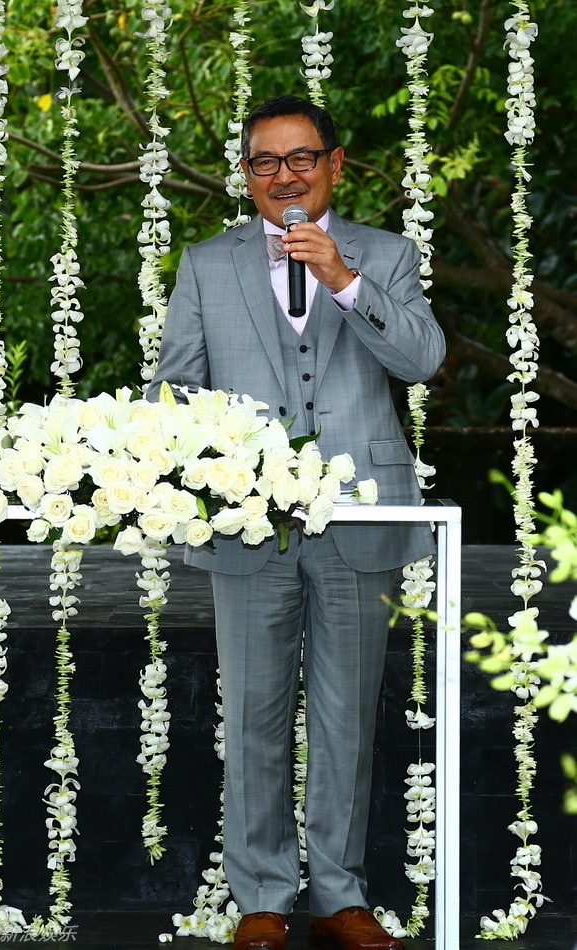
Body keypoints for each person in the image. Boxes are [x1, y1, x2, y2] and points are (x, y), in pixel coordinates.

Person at [147, 94, 445, 950]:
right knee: (253, 713)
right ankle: (263, 899)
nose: (285, 176)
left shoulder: (386, 255)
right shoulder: (207, 263)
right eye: (265, 162)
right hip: (246, 521)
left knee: (348, 715)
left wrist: (343, 279)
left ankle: (341, 897)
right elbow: (175, 388)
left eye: (301, 158)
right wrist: (207, 465)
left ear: (334, 164)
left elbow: (423, 360)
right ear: (247, 175)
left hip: (360, 515)